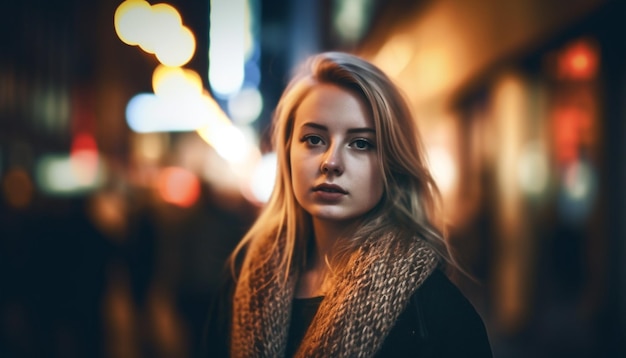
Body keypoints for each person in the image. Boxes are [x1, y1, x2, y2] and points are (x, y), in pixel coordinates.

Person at [203, 51, 492, 357]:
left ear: (391, 164)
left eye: (361, 143)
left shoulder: (435, 311)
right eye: (314, 139)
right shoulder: (243, 283)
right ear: (287, 151)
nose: (331, 162)